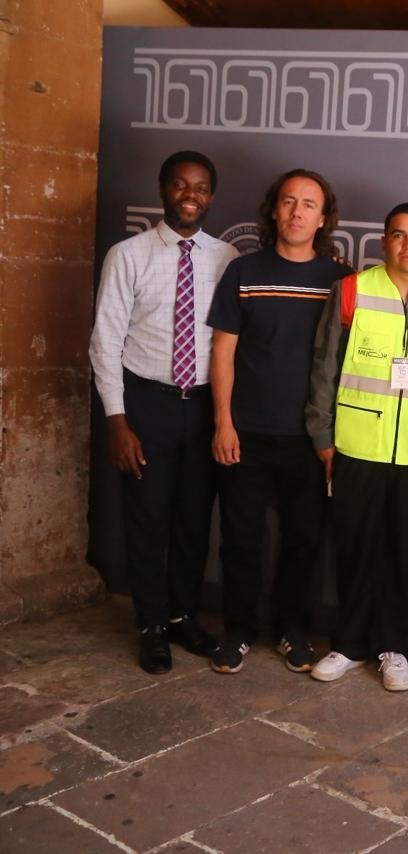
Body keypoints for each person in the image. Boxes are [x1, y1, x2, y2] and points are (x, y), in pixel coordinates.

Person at [89, 150, 240, 674]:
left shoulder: (227, 258)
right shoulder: (127, 255)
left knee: (194, 520)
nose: (189, 195)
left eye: (200, 187)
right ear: (162, 189)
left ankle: (182, 616)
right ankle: (151, 624)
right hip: (146, 405)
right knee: (148, 518)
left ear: (211, 196)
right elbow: (105, 341)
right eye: (180, 184)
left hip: (203, 407)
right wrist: (117, 419)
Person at [304, 202, 408, 692]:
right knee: (354, 547)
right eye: (398, 234)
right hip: (358, 443)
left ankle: (394, 647)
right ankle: (349, 644)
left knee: (406, 551)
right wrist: (322, 434)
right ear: (383, 241)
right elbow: (325, 366)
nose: (407, 245)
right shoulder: (353, 290)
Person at [206, 169, 351, 675]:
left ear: (323, 218)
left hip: (309, 439)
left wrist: (331, 435)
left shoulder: (340, 281)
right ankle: (238, 631)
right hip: (244, 432)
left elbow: (348, 362)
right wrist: (222, 423)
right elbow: (223, 352)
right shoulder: (243, 272)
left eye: (308, 204)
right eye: (288, 201)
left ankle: (293, 631)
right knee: (241, 539)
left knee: (303, 540)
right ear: (273, 209)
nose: (296, 212)